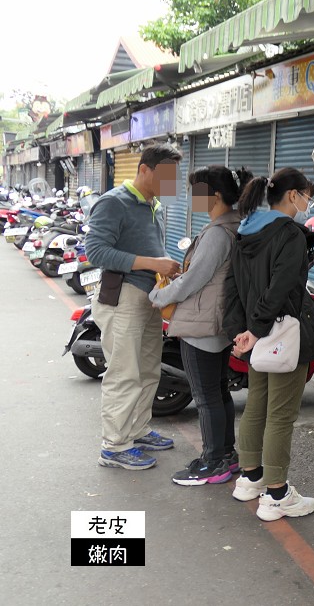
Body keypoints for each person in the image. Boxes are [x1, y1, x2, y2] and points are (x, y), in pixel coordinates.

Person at [223, 167, 314, 521]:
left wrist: (242, 331)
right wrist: (259, 329)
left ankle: (250, 479)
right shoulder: (291, 235)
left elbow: (231, 288)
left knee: (256, 407)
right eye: (308, 195)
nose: (309, 202)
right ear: (293, 196)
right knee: (280, 415)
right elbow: (280, 289)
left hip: (253, 337)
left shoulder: (245, 231)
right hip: (283, 337)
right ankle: (277, 494)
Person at [149, 165, 252, 486]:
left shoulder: (218, 233)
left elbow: (195, 279)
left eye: (196, 191)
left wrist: (159, 294)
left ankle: (213, 461)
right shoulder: (235, 225)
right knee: (218, 391)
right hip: (217, 322)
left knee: (206, 396)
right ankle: (225, 455)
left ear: (215, 195)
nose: (191, 197)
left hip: (201, 323)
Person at [86, 143, 182, 470]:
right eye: (167, 176)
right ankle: (114, 446)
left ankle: (138, 429)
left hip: (150, 298)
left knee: (148, 369)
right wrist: (151, 261)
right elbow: (95, 251)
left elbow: (149, 247)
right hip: (123, 296)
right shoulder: (114, 203)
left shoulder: (153, 204)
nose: (172, 184)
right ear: (144, 169)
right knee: (124, 373)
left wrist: (165, 266)